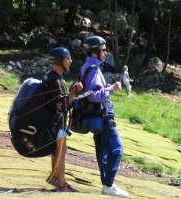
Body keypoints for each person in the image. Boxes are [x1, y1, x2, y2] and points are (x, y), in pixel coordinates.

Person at [81, 36, 129, 197]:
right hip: (102, 117)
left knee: (102, 152)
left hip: (96, 117)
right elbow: (93, 96)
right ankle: (109, 185)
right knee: (117, 149)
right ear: (95, 51)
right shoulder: (93, 69)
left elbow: (91, 91)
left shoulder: (88, 66)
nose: (106, 52)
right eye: (103, 50)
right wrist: (112, 89)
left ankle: (107, 184)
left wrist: (106, 87)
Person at [44, 47, 83, 192]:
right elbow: (62, 105)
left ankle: (54, 177)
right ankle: (62, 185)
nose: (71, 61)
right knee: (61, 151)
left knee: (56, 151)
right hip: (56, 123)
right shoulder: (55, 81)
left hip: (54, 121)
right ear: (61, 61)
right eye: (68, 59)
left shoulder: (53, 77)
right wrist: (75, 91)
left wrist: (72, 91)